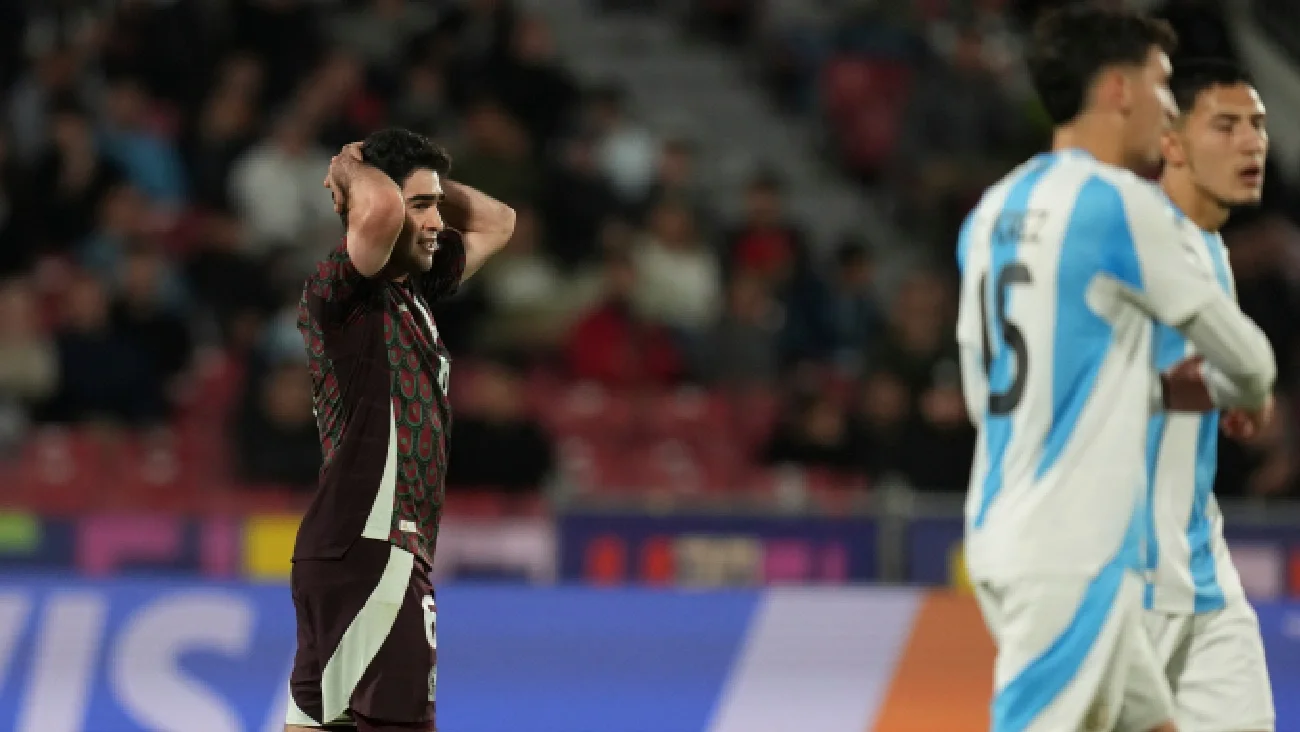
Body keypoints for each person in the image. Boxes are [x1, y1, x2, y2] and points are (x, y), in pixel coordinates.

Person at [955, 7, 1276, 732]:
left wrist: (1150, 393)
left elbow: (986, 389)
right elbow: (1251, 363)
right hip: (1086, 554)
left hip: (1102, 549)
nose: (1167, 106)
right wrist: (1242, 389)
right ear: (1121, 92)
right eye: (1162, 86)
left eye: (1256, 125)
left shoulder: (993, 212)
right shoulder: (1125, 215)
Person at [284, 128, 515, 732]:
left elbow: (499, 222)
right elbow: (381, 210)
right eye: (422, 207)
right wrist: (353, 170)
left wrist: (423, 182)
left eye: (437, 205)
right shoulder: (341, 295)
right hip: (376, 546)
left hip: (349, 549)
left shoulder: (412, 291)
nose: (437, 221)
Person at [1144, 59, 1275, 732]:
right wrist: (1237, 383)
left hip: (1200, 566)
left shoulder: (1211, 250)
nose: (1250, 142)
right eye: (1225, 126)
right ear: (1171, 141)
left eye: (1257, 124)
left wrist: (1229, 390)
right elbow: (1098, 387)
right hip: (1121, 576)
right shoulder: (1132, 242)